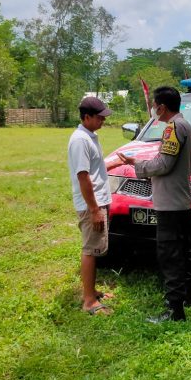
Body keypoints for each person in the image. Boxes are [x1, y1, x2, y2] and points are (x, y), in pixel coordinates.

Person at [117, 86, 191, 322]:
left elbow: (163, 165)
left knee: (170, 255)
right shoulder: (188, 127)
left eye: (154, 105)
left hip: (169, 204)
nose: (153, 109)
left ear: (161, 107)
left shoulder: (172, 129)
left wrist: (138, 164)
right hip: (182, 201)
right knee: (185, 251)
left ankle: (175, 310)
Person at [68, 96, 124, 315]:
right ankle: (89, 301)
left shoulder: (91, 136)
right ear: (87, 117)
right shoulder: (80, 140)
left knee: (96, 247)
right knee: (90, 250)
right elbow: (83, 177)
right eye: (99, 117)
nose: (103, 120)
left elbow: (94, 167)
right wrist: (94, 210)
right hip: (93, 204)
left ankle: (92, 291)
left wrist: (117, 162)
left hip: (100, 200)